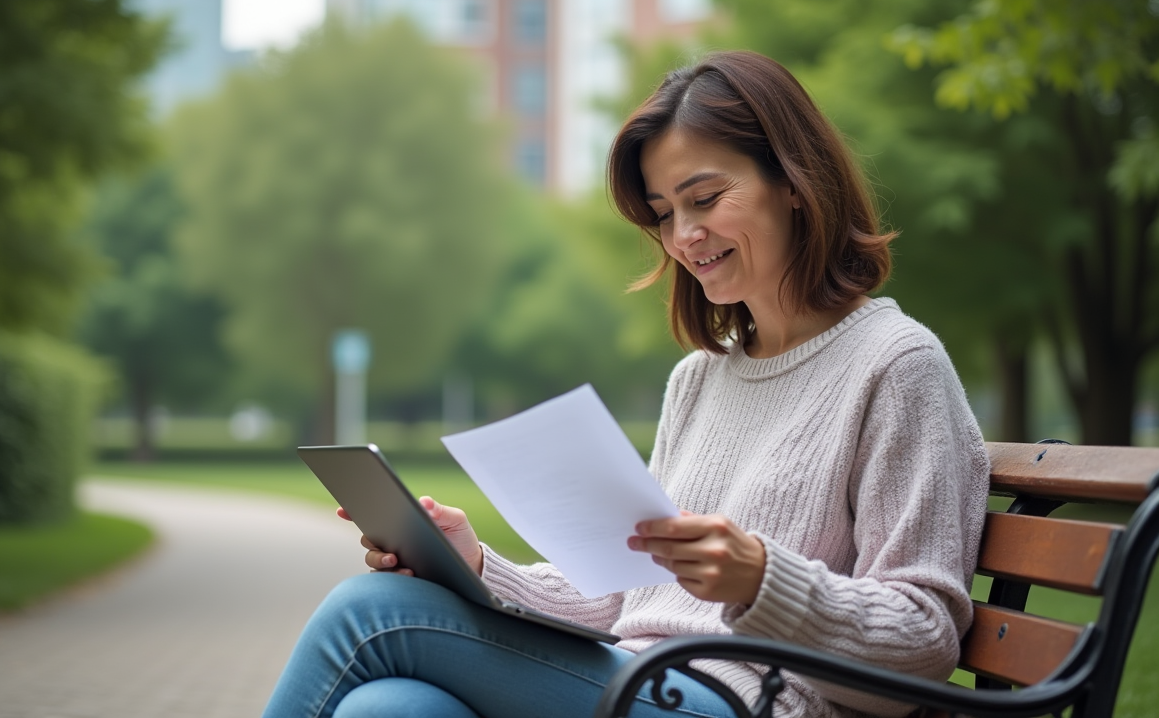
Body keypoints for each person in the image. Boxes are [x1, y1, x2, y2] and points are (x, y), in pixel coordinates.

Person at [261, 51, 990, 718]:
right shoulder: (699, 380)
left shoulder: (896, 365)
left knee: (373, 610)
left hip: (750, 704)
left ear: (794, 183)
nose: (683, 238)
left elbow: (923, 640)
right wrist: (474, 563)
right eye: (665, 214)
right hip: (642, 678)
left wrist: (763, 580)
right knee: (388, 711)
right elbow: (621, 595)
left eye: (705, 199)